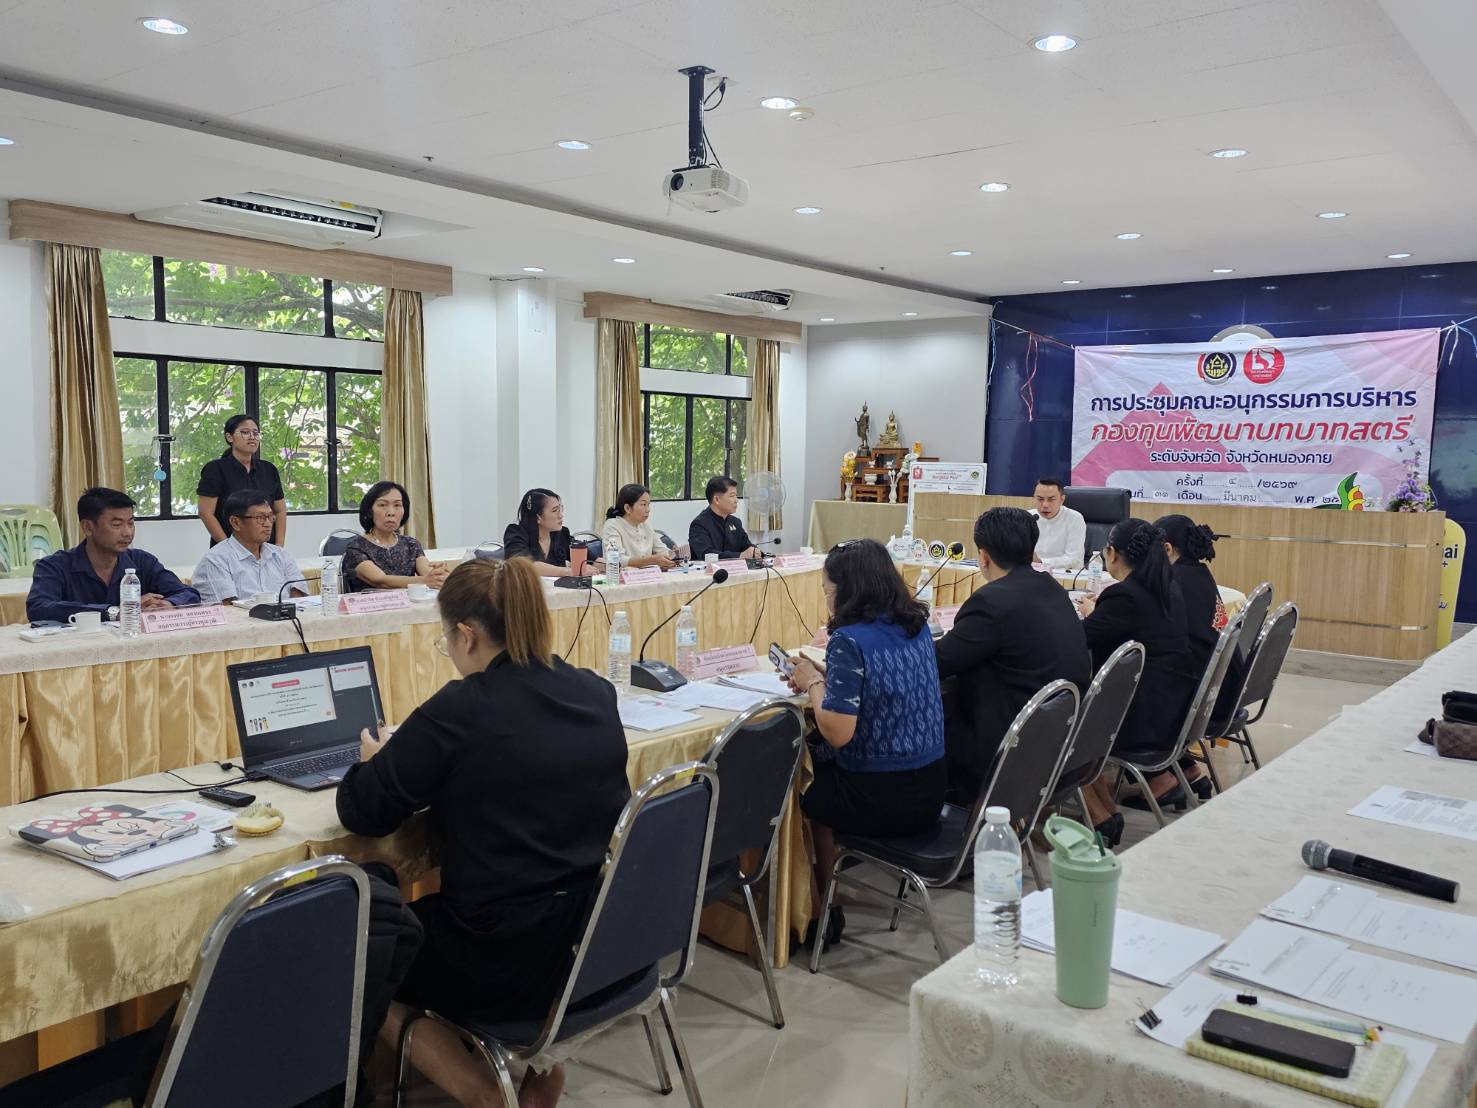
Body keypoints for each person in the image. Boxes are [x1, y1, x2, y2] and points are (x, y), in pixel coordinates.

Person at [338, 557, 630, 1108]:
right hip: (597, 940)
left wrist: (373, 760)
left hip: (504, 957)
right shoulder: (593, 690)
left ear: (466, 635)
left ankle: (481, 1093)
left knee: (355, 952)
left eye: (445, 639)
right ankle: (543, 1079)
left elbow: (363, 811)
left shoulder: (461, 709)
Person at [785, 538, 946, 948]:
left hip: (882, 799)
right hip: (930, 789)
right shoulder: (916, 625)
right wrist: (832, 678)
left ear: (848, 590)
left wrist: (814, 681)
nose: (827, 599)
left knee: (802, 781)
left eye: (827, 591)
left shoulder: (849, 640)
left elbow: (836, 732)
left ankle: (823, 909)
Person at [935, 508, 1091, 801]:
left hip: (1004, 750)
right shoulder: (1052, 588)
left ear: (983, 557)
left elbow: (937, 662)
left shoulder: (991, 602)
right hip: (1060, 744)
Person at [1076, 518, 1200, 832]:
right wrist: (1099, 613)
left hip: (1142, 720)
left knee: (1064, 709)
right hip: (1173, 708)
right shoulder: (1167, 586)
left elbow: (1077, 639)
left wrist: (1093, 614)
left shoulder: (1124, 597)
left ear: (1113, 554)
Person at [1155, 513, 1246, 799]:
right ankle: (1186, 767)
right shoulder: (1199, 573)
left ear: (1167, 549)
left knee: (1133, 688)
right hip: (1222, 687)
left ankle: (1158, 778)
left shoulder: (1172, 580)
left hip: (1204, 697)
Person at [27, 487, 200, 623]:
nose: (127, 533)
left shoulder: (142, 561)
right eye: (117, 525)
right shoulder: (54, 566)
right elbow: (39, 608)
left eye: (131, 523)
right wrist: (114, 611)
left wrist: (168, 605)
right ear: (88, 527)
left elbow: (189, 594)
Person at [190, 490, 306, 605]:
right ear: (236, 522)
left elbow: (298, 596)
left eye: (270, 517)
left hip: (286, 621)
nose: (268, 524)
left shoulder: (280, 555)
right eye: (260, 517)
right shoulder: (215, 560)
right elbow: (227, 609)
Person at [342, 481, 450, 592]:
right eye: (382, 505)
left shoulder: (411, 544)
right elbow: (381, 581)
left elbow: (427, 573)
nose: (391, 512)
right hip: (370, 607)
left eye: (397, 505)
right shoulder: (356, 548)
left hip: (409, 606)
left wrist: (439, 574)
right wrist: (424, 581)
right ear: (370, 511)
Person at [197, 414, 286, 547]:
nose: (252, 437)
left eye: (256, 433)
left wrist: (279, 548)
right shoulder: (215, 469)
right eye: (245, 432)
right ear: (229, 437)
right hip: (228, 549)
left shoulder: (269, 469)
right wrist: (227, 548)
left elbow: (280, 511)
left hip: (266, 549)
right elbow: (205, 513)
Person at [502, 488, 588, 579]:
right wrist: (569, 571)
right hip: (525, 590)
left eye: (560, 509)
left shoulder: (561, 534)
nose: (561, 515)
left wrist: (590, 565)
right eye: (555, 511)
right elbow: (525, 566)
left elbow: (592, 559)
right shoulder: (516, 533)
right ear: (538, 517)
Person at [601, 484, 676, 570]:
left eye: (648, 504)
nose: (648, 509)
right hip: (623, 579)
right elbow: (617, 560)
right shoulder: (612, 525)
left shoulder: (646, 526)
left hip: (648, 576)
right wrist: (652, 560)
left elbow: (662, 551)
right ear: (628, 508)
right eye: (643, 504)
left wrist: (674, 555)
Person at [688, 476, 758, 561]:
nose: (736, 500)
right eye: (732, 496)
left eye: (736, 496)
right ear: (716, 500)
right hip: (708, 573)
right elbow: (706, 554)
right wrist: (739, 556)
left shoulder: (736, 522)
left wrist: (755, 551)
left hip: (735, 571)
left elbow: (746, 546)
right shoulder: (699, 525)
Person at [1031, 476, 1086, 572]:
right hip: (1032, 575)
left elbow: (1074, 560)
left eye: (1051, 499)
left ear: (1062, 499)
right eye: (1040, 499)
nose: (1045, 505)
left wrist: (1041, 561)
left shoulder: (1075, 518)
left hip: (1066, 577)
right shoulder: (1027, 517)